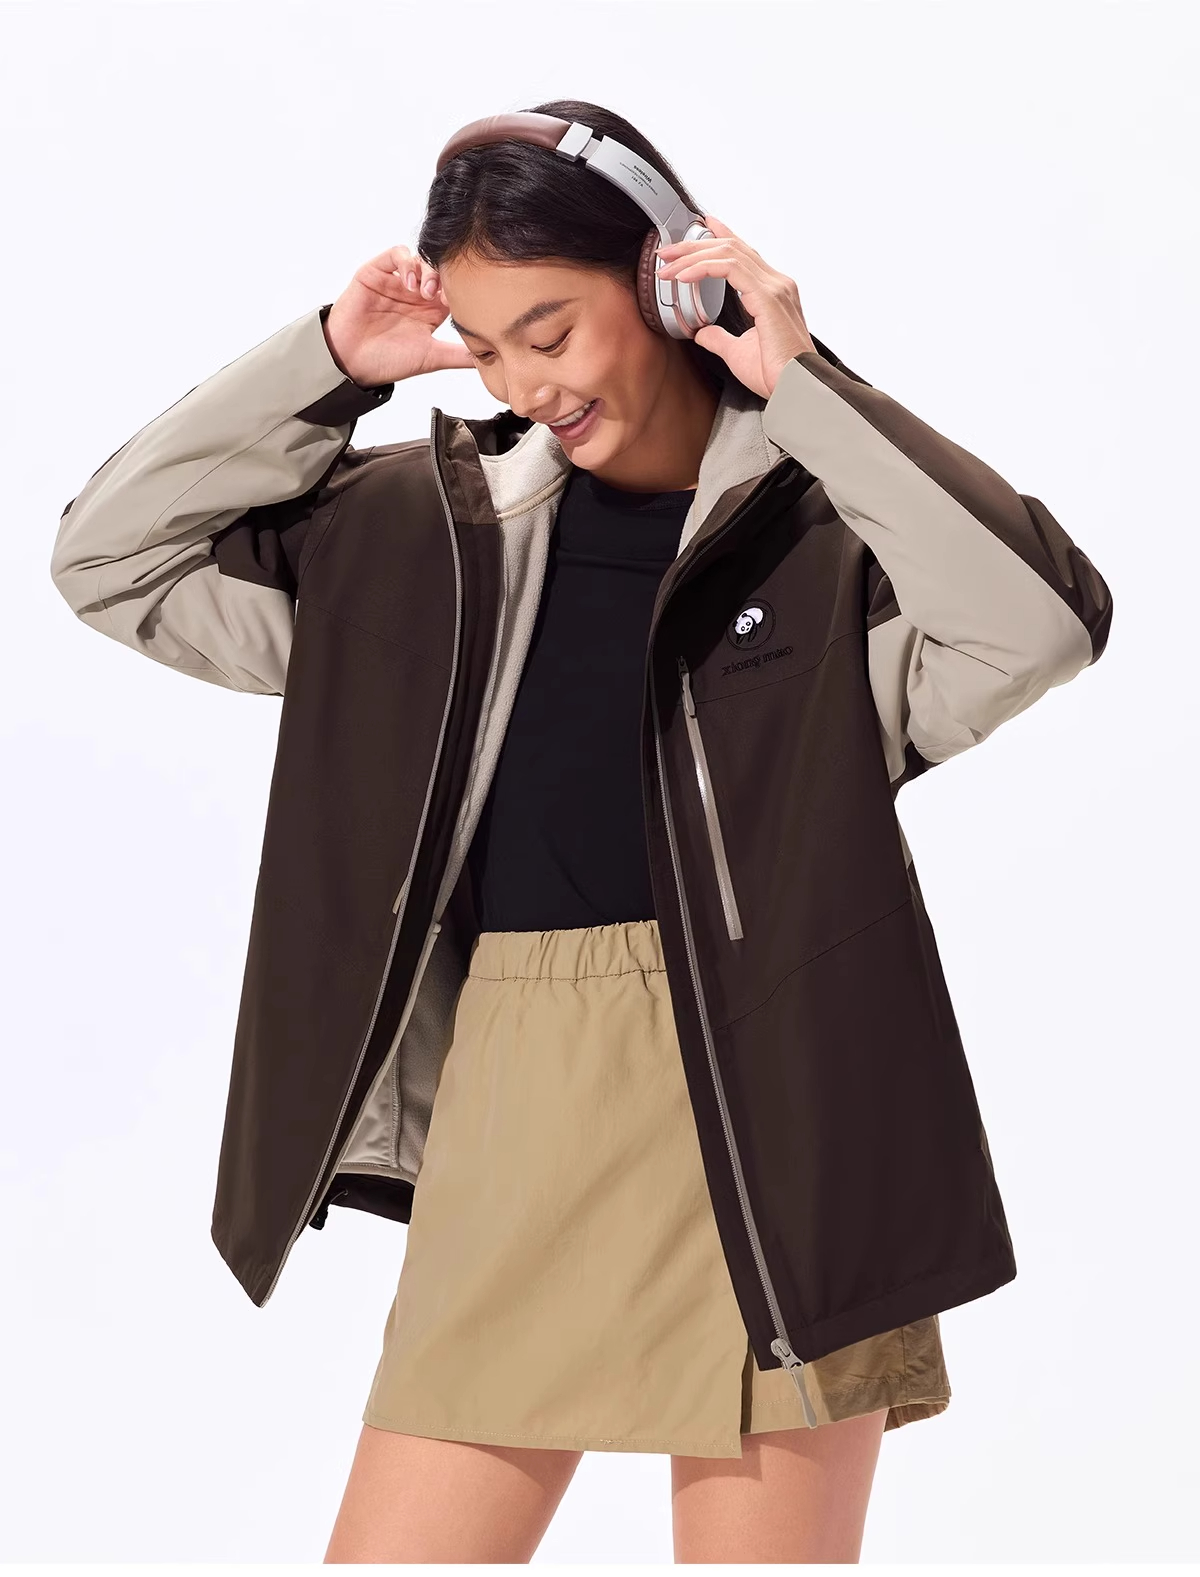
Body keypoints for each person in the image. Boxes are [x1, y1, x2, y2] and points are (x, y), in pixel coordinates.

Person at [50, 100, 1113, 1564]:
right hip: (520, 1088)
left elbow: (1041, 623)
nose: (523, 381)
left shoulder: (829, 550)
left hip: (784, 1110)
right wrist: (326, 363)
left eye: (548, 329)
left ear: (668, 281)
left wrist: (802, 384)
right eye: (489, 347)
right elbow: (110, 558)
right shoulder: (417, 545)